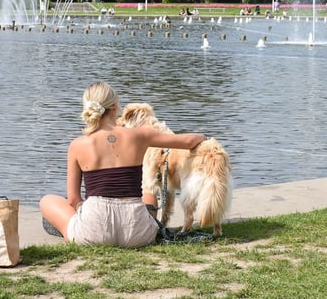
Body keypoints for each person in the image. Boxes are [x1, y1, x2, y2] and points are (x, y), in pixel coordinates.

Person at [39, 82, 206, 247]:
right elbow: (188, 141)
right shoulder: (140, 135)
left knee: (47, 200)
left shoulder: (77, 145)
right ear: (114, 106)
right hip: (137, 233)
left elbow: (73, 200)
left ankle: (73, 230)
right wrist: (203, 138)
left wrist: (88, 210)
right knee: (149, 195)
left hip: (95, 231)